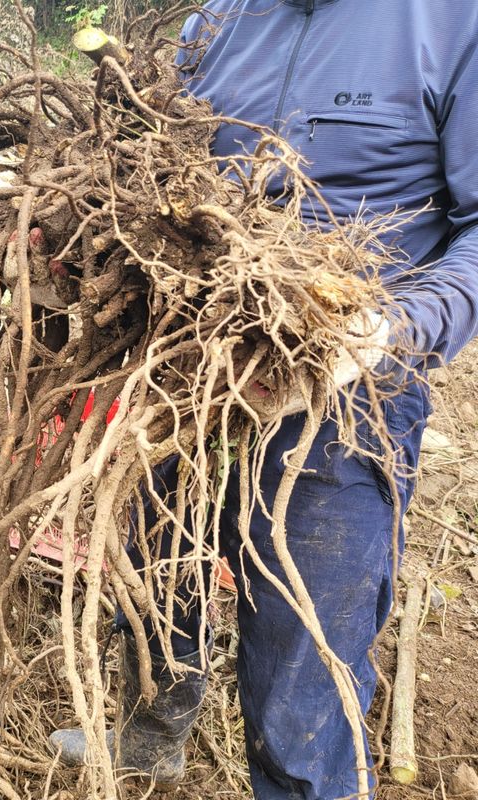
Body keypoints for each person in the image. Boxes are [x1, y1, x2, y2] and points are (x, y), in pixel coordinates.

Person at [50, 1, 478, 797]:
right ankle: (151, 733)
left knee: (304, 664)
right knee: (154, 562)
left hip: (348, 395)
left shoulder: (451, 24)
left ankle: (300, 783)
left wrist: (397, 326)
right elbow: (152, 175)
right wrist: (72, 228)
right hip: (189, 362)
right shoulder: (216, 19)